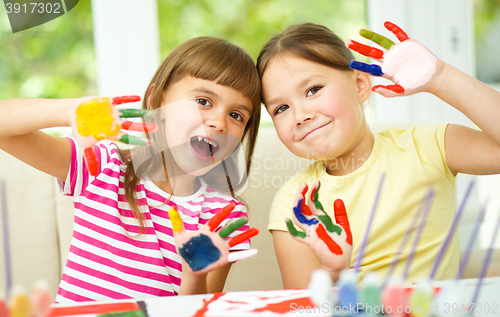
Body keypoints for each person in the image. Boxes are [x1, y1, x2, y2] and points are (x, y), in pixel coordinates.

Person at [0, 36, 261, 302]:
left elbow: (198, 310)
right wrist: (69, 110)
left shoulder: (225, 217)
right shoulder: (102, 165)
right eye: (204, 101)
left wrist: (195, 275)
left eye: (237, 115)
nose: (219, 122)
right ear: (157, 100)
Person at [256, 22, 500, 288]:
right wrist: (332, 273)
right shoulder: (294, 205)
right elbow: (304, 308)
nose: (301, 115)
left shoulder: (427, 146)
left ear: (360, 85)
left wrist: (441, 78)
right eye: (281, 108)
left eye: (313, 90)